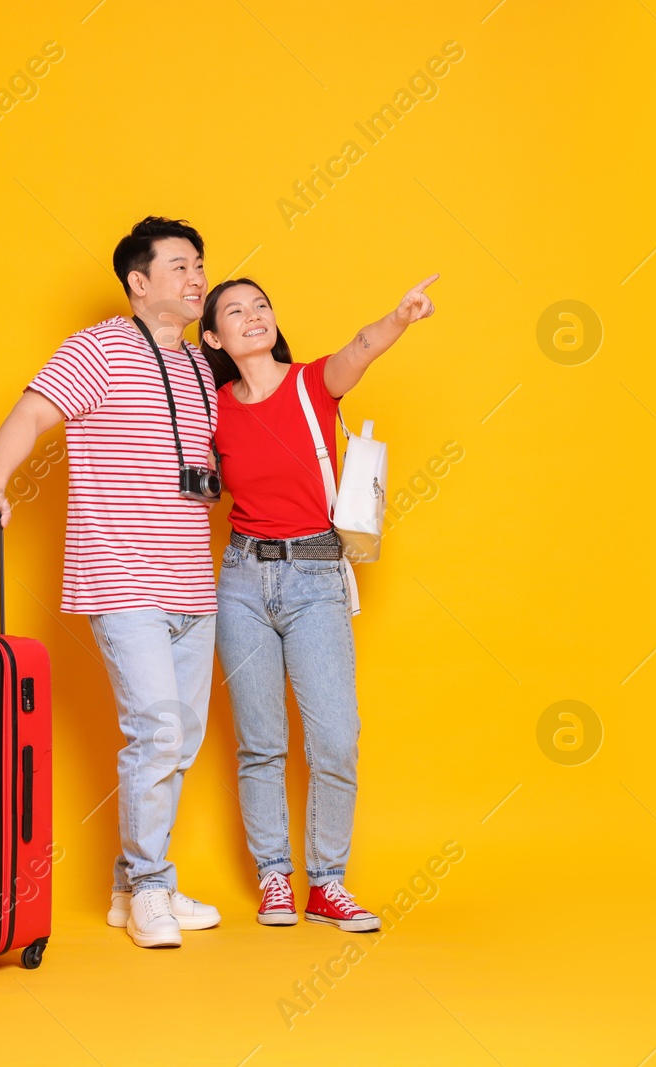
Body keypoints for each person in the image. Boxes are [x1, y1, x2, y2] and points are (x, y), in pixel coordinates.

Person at [0, 216, 223, 949]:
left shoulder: (203, 363)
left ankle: (130, 885)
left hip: (192, 584)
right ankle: (149, 887)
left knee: (182, 737)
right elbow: (33, 412)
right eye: (179, 266)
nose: (196, 277)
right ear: (139, 283)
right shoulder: (100, 348)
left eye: (199, 264)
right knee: (157, 729)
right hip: (121, 575)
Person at [199, 272, 438, 931]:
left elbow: (359, 348)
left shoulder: (309, 383)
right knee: (260, 741)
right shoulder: (215, 405)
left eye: (262, 305)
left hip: (315, 577)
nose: (254, 316)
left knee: (335, 737)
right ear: (215, 336)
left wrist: (401, 316)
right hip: (243, 580)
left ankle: (326, 883)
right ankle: (275, 877)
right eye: (236, 311)